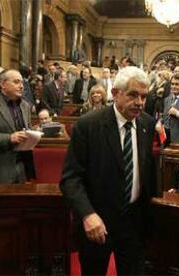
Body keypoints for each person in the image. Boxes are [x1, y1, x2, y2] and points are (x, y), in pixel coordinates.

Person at [60, 66, 156, 275]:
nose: (139, 102)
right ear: (115, 94)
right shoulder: (88, 125)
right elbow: (70, 178)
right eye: (133, 95)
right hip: (97, 223)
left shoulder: (147, 124)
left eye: (144, 96)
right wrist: (87, 215)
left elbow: (147, 172)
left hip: (134, 222)